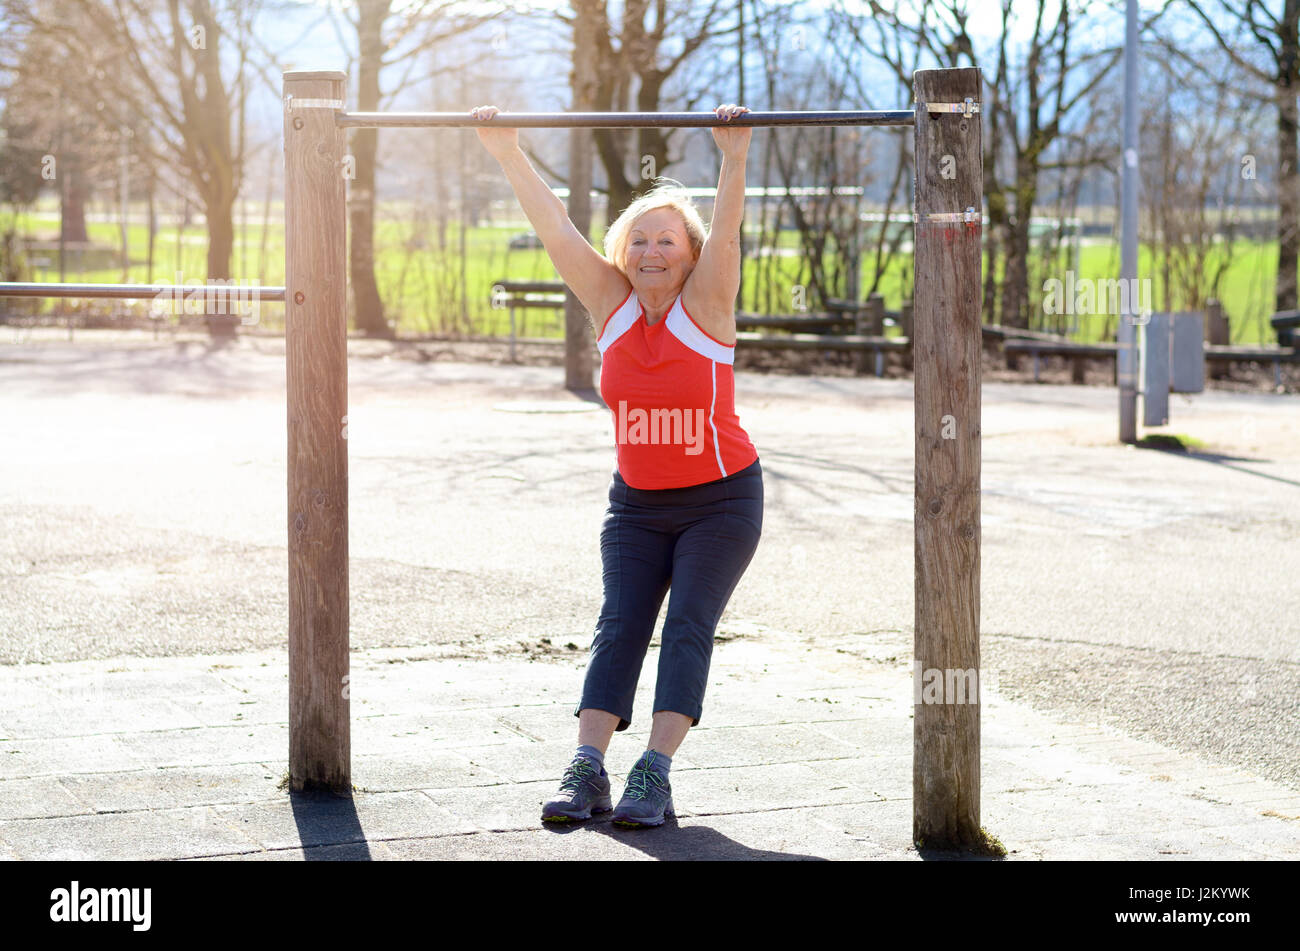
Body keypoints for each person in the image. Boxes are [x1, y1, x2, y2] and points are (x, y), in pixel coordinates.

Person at [472, 103, 763, 829]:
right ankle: (587, 767)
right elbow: (555, 230)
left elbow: (726, 229)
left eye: (668, 238)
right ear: (622, 251)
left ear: (689, 255)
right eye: (640, 238)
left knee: (688, 624)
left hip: (720, 502)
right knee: (620, 621)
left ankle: (654, 773)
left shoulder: (709, 303)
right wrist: (508, 151)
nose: (652, 249)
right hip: (636, 503)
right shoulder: (612, 304)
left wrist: (733, 158)